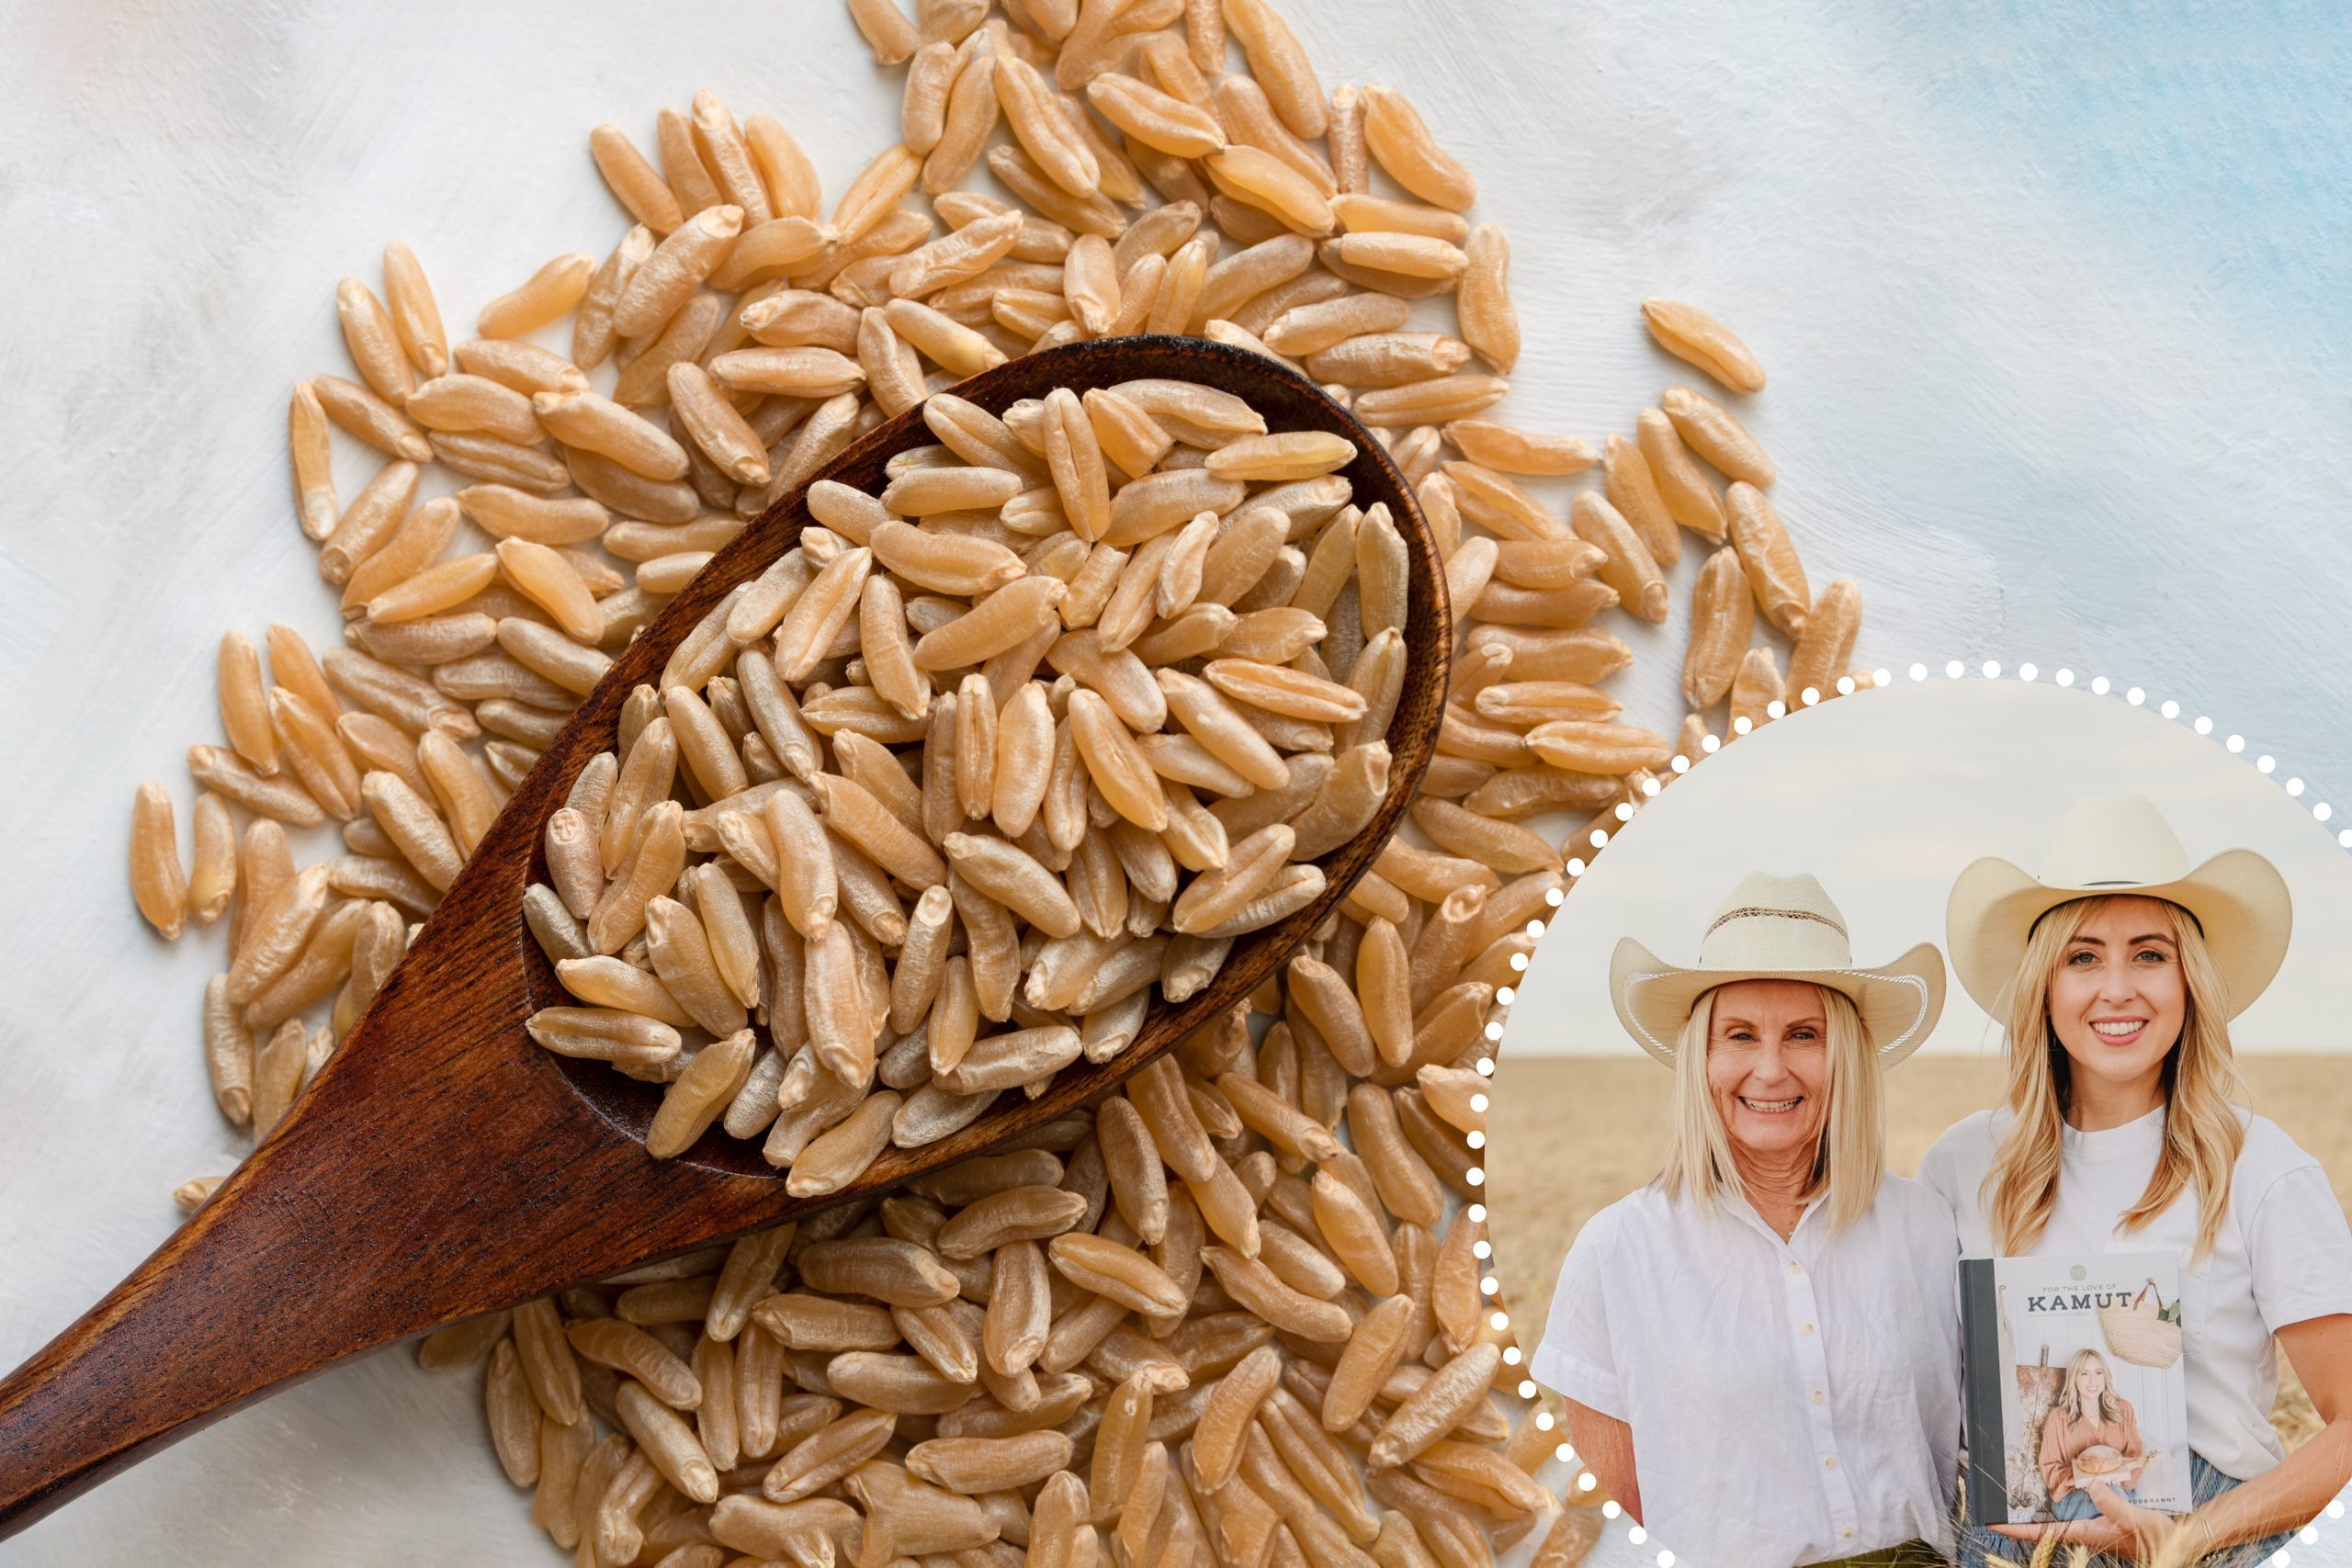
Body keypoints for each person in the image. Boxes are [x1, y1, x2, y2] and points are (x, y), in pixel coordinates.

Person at [1921, 793, 2352, 1564]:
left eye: (2150, 954)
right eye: (2082, 956)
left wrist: (2188, 1535)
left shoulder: (2261, 1166)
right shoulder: (1960, 1166)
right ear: (2043, 985)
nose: (2116, 987)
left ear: (2190, 982)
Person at [1532, 872, 1962, 1568]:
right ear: (1701, 1056)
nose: (1770, 1068)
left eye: (1803, 1034)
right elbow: (1611, 1518)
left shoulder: (1927, 1229)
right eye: (1740, 1035)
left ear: (1845, 1054)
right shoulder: (1618, 1250)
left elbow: (1975, 1455)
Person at [2039, 1349, 2148, 1517]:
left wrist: (2119, 1476)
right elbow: (2050, 1469)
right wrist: (2084, 1480)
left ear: (2106, 1377)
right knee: (2115, 1507)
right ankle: (2135, 1529)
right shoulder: (2057, 1419)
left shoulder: (2124, 1410)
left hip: (2117, 1490)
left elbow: (2135, 1455)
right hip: (2073, 1497)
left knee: (2111, 1495)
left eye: (2098, 1373)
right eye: (2084, 1374)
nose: (2093, 1380)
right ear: (2074, 1378)